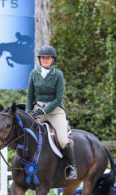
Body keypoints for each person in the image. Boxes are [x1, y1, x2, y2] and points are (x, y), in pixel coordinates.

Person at [25, 45, 77, 180]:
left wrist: (44, 111)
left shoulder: (58, 75)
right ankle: (25, 164)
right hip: (37, 109)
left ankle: (71, 166)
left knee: (62, 139)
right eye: (43, 58)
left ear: (52, 60)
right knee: (27, 134)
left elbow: (58, 98)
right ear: (40, 59)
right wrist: (28, 113)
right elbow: (30, 95)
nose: (45, 60)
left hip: (55, 111)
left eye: (48, 58)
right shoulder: (34, 74)